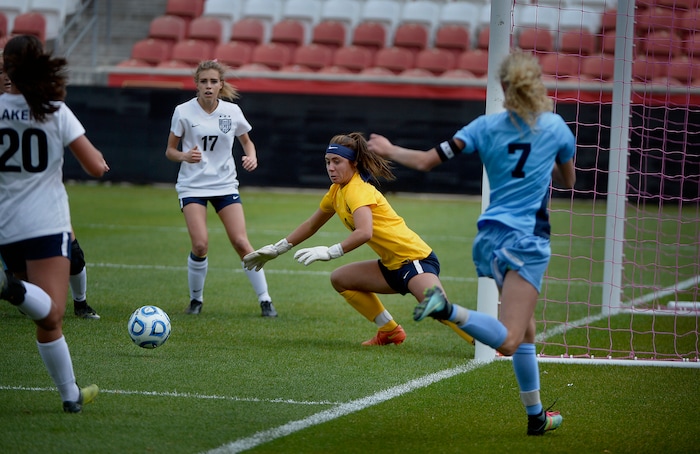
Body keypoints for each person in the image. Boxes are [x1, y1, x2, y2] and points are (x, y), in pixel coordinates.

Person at [367, 50, 576, 435]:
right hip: (527, 240)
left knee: (525, 329)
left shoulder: (483, 126)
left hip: (488, 239)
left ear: (503, 86)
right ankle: (446, 309)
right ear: (538, 85)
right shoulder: (557, 128)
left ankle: (536, 417)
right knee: (512, 338)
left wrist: (389, 149)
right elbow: (567, 182)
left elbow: (428, 160)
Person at [243, 132, 465, 347]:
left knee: (438, 308)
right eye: (328, 161)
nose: (331, 167)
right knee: (341, 279)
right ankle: (389, 331)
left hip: (414, 260)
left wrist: (330, 252)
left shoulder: (358, 190)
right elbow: (311, 225)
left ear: (354, 163)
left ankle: (488, 344)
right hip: (392, 265)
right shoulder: (337, 191)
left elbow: (364, 232)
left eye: (337, 161)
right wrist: (277, 249)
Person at [0, 35, 109, 412]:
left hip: (5, 227)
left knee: (43, 316)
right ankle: (8, 287)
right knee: (53, 313)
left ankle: (70, 397)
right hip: (46, 223)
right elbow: (94, 166)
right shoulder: (54, 110)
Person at [165, 60, 277, 317]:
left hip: (225, 184)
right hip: (192, 186)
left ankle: (265, 300)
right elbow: (170, 151)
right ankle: (196, 301)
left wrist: (252, 157)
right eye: (203, 81)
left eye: (213, 82)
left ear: (220, 85)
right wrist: (184, 156)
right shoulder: (183, 112)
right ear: (196, 84)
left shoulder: (232, 112)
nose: (208, 86)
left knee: (240, 242)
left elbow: (248, 143)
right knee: (201, 245)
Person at [0, 48, 98, 320]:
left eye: (10, 70)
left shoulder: (46, 107)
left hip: (20, 213)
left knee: (72, 260)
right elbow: (95, 165)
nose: (6, 77)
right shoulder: (54, 109)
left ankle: (81, 304)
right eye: (2, 71)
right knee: (45, 311)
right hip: (37, 213)